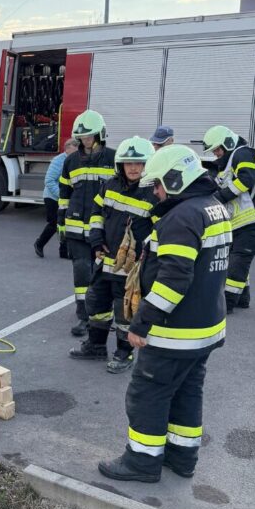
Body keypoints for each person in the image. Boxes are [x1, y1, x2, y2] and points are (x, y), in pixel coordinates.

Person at [98, 145, 231, 483]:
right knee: (187, 393)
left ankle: (141, 463)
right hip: (205, 328)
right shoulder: (213, 207)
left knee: (147, 393)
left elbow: (173, 280)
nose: (155, 191)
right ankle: (182, 457)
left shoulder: (181, 218)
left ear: (175, 179)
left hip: (176, 333)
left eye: (158, 184)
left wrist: (141, 322)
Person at [70, 136, 157, 373]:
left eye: (139, 163)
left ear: (148, 165)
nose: (133, 167)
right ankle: (96, 346)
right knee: (96, 304)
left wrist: (143, 251)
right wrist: (96, 240)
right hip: (104, 262)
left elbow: (161, 232)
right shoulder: (110, 185)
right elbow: (96, 213)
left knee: (125, 312)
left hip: (130, 268)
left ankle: (124, 353)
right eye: (128, 163)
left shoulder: (154, 194)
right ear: (120, 164)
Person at [58, 110, 116, 336]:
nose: (85, 141)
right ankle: (84, 316)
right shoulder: (70, 161)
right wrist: (61, 225)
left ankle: (103, 314)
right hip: (76, 228)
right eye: (82, 137)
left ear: (100, 135)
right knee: (82, 273)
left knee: (103, 273)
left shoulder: (113, 159)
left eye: (89, 136)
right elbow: (64, 194)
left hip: (102, 229)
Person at [202, 125, 255, 312]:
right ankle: (243, 298)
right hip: (241, 224)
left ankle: (227, 303)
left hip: (252, 222)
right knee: (239, 260)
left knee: (238, 261)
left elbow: (247, 178)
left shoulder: (242, 153)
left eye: (217, 149)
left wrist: (222, 196)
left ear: (228, 143)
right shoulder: (228, 162)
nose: (216, 154)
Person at [34, 137, 77, 258]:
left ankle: (63, 252)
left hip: (66, 198)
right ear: (67, 150)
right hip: (52, 197)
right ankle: (39, 244)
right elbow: (49, 181)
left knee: (65, 224)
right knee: (54, 223)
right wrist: (61, 195)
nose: (76, 155)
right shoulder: (58, 161)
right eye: (74, 152)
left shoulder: (74, 160)